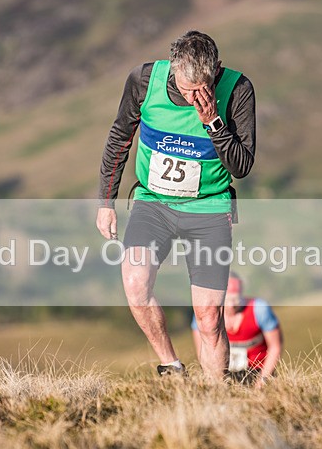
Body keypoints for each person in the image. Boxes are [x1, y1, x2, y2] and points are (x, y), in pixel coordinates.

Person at [95, 30, 256, 380]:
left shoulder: (238, 89)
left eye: (204, 88)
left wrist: (213, 122)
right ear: (173, 71)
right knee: (136, 285)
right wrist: (106, 202)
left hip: (210, 208)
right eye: (187, 89)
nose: (196, 97)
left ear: (217, 71)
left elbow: (242, 166)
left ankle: (218, 397)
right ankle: (172, 367)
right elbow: (119, 138)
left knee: (209, 317)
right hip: (153, 203)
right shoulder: (143, 81)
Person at [192, 273, 283, 386]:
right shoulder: (207, 315)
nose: (231, 305)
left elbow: (275, 346)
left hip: (257, 372)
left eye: (236, 299)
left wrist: (262, 381)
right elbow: (202, 350)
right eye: (228, 299)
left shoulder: (260, 309)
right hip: (223, 374)